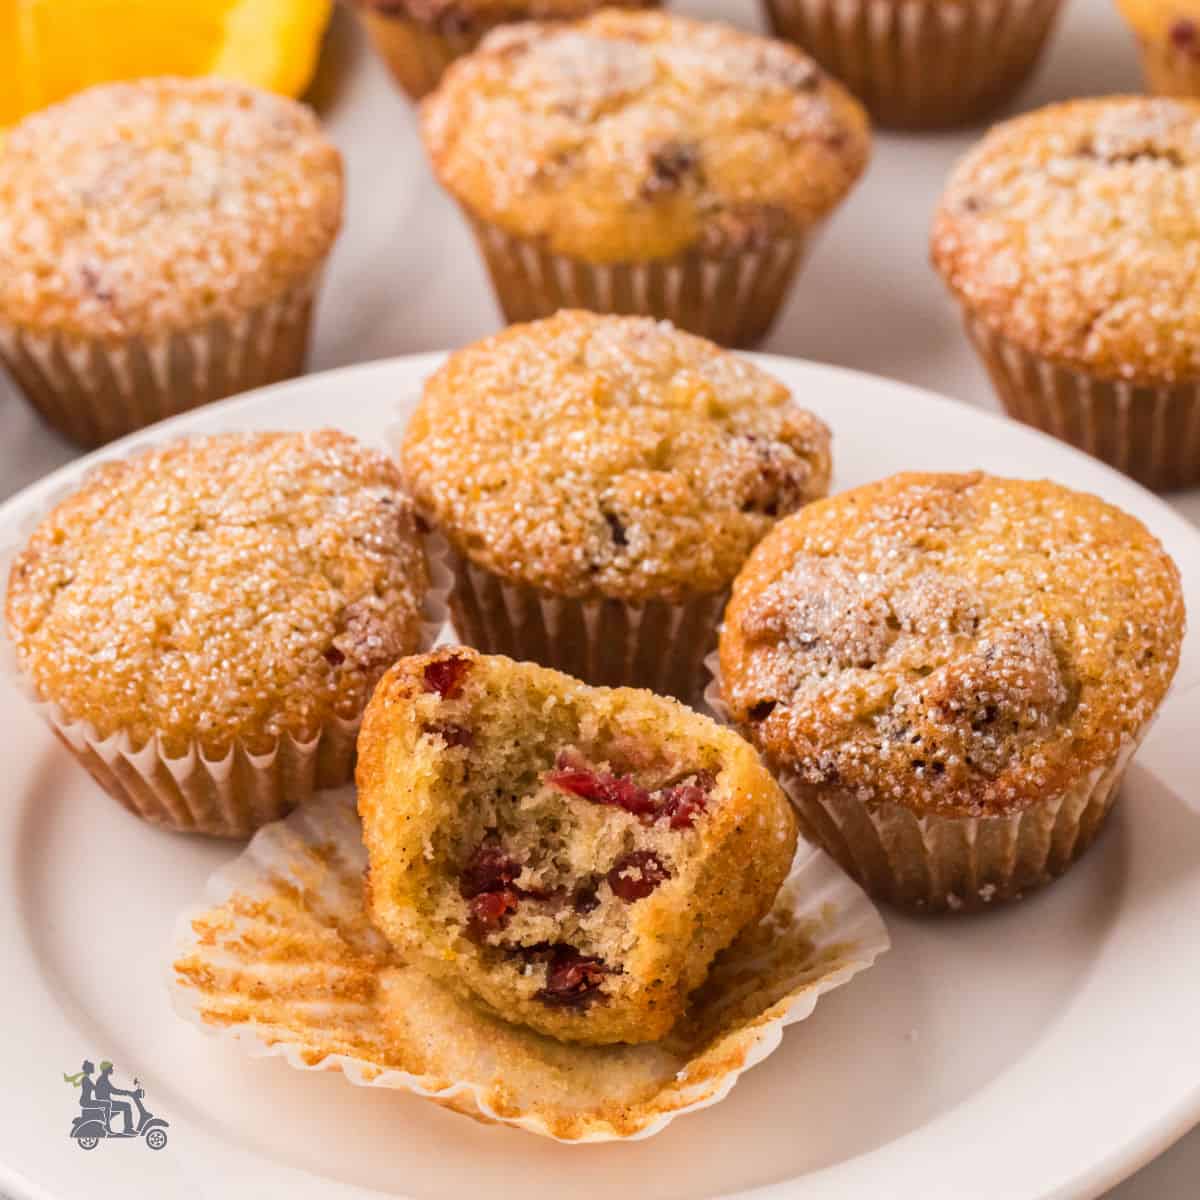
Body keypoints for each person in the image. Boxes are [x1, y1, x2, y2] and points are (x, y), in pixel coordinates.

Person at [94, 1061, 134, 1134]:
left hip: (106, 1102)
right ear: (106, 1069)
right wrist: (128, 1093)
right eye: (110, 1068)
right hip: (106, 1103)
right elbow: (114, 1091)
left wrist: (128, 1093)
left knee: (126, 1105)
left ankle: (128, 1129)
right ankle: (128, 1129)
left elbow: (113, 1090)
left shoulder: (103, 1078)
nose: (112, 1070)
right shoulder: (103, 1080)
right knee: (127, 1106)